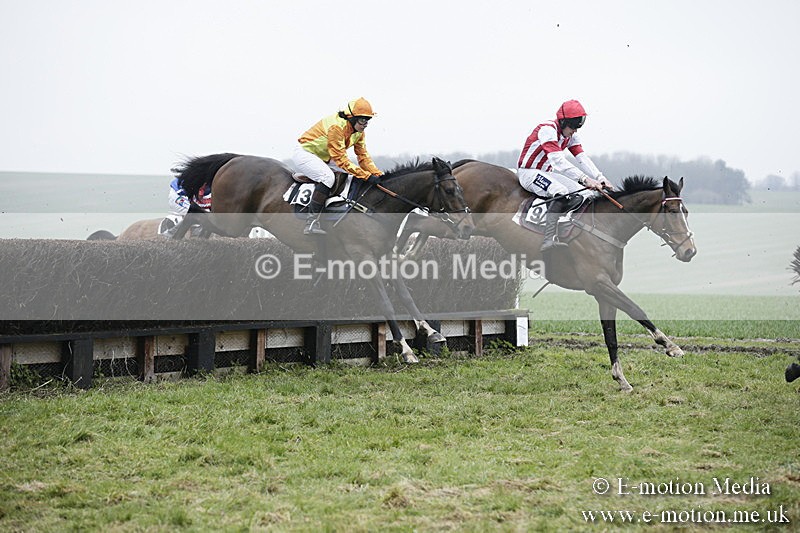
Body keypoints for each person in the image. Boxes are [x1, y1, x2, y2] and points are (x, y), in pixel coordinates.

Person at [517, 99, 613, 253]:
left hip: (546, 173)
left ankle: (567, 227)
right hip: (529, 173)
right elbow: (558, 162)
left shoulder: (571, 135)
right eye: (573, 126)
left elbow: (582, 158)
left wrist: (600, 178)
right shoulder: (547, 130)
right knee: (560, 191)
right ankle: (548, 239)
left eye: (577, 127)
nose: (574, 131)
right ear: (563, 122)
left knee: (586, 193)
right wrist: (585, 179)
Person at [292, 97, 384, 235]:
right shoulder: (337, 127)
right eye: (362, 119)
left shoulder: (359, 132)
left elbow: (363, 156)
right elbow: (341, 160)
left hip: (326, 156)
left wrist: (377, 175)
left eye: (368, 120)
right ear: (352, 118)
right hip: (306, 154)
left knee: (351, 177)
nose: (365, 124)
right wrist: (366, 176)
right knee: (328, 178)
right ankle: (311, 222)